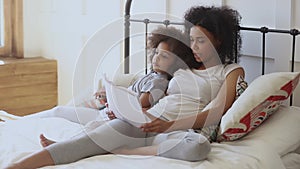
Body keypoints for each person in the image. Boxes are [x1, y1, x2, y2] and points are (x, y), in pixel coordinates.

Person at [5, 5, 244, 169]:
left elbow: (217, 111)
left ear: (219, 40)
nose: (194, 47)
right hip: (146, 122)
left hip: (173, 131)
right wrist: (122, 103)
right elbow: (148, 83)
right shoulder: (184, 66)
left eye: (201, 41)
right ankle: (20, 165)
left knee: (198, 148)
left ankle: (120, 151)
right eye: (191, 40)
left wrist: (167, 125)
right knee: (93, 137)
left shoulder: (230, 71)